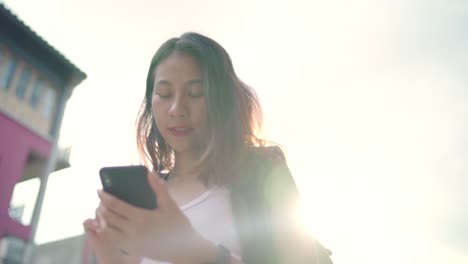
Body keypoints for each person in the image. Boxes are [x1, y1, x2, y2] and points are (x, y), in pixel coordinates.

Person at [83, 32, 333, 264]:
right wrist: (110, 257)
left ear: (222, 99)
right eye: (165, 93)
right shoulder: (149, 196)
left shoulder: (262, 171)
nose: (177, 109)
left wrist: (195, 250)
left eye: (195, 93)